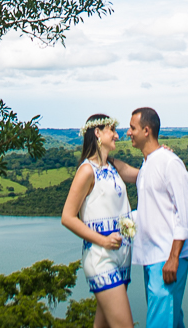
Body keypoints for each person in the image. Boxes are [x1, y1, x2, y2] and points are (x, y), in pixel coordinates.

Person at [113, 106, 188, 328]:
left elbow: (184, 213)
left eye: (132, 128)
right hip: (152, 259)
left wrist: (174, 257)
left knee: (160, 322)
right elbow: (148, 210)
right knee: (172, 321)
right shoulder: (148, 164)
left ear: (146, 130)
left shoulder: (170, 163)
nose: (128, 132)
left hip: (167, 258)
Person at [61, 113, 134, 328]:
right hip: (101, 257)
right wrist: (102, 241)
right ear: (97, 133)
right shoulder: (86, 170)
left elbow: (143, 175)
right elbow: (67, 217)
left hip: (122, 255)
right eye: (112, 130)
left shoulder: (113, 166)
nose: (117, 136)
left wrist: (160, 156)